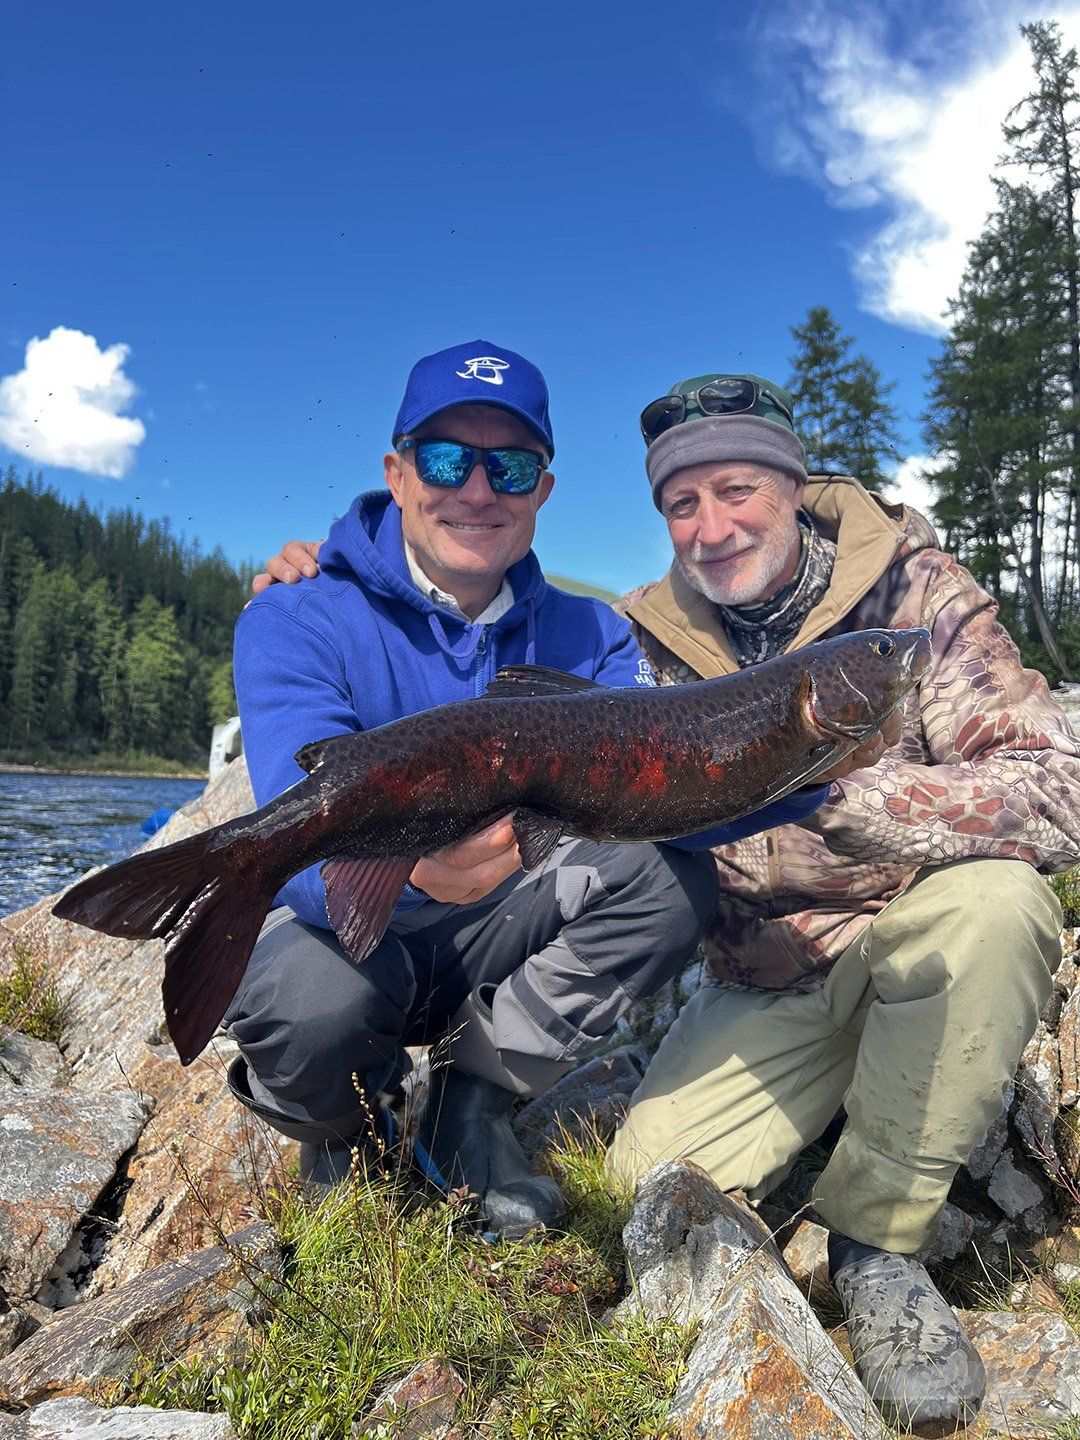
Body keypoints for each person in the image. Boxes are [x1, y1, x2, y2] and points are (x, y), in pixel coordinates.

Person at [263, 369, 1080, 1429]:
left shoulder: (918, 606)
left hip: (921, 941)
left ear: (794, 485)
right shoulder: (635, 640)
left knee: (998, 909)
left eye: (737, 489)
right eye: (681, 504)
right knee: (644, 1186)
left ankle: (880, 1247)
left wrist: (850, 799)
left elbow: (1062, 790)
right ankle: (843, 1108)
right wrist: (309, 572)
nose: (713, 525)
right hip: (765, 983)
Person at [228, 343, 875, 1246]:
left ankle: (474, 1098)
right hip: (360, 932)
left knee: (670, 885)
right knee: (299, 1005)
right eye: (449, 459)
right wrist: (412, 873)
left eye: (512, 466)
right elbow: (296, 841)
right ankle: (347, 1132)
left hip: (509, 925)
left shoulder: (593, 634)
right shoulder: (296, 615)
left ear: (543, 491)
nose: (478, 490)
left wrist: (807, 774)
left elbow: (672, 800)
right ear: (398, 472)